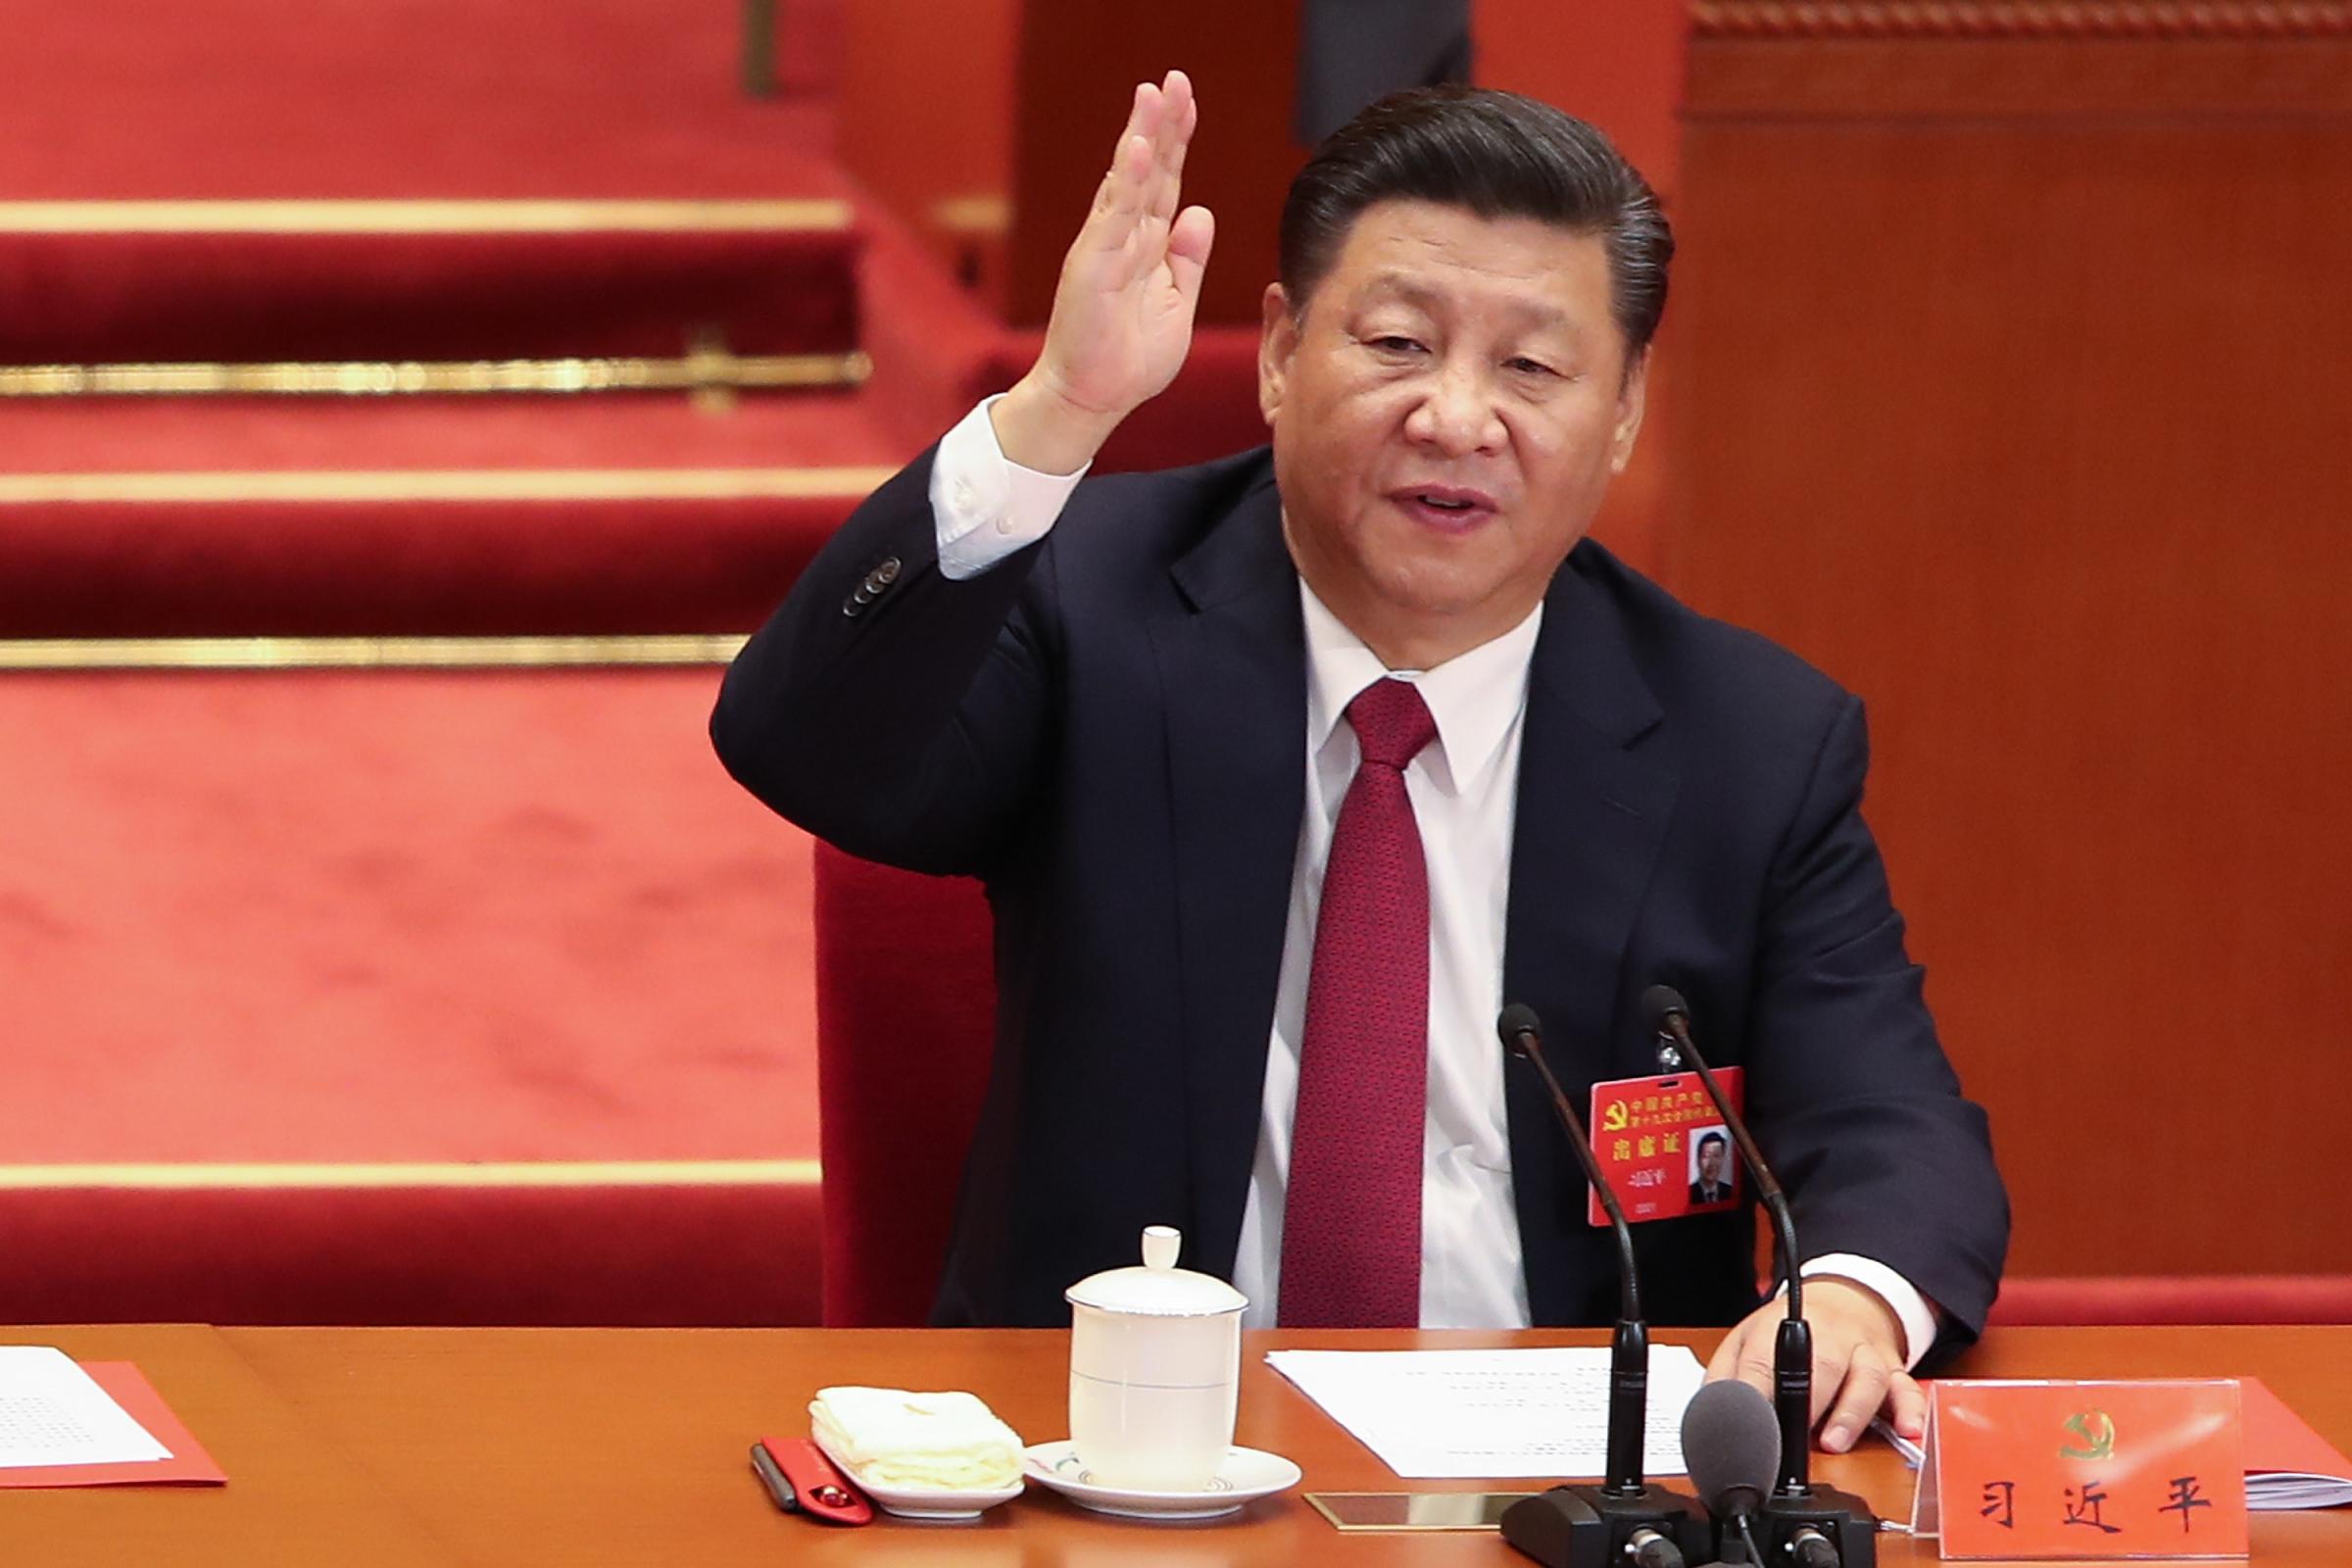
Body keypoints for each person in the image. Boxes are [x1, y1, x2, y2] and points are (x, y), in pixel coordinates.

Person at [712, 73, 2008, 1454]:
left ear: (1624, 413)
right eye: (1397, 343)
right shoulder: (1094, 603)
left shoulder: (1747, 737)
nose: (1457, 418)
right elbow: (805, 748)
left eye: (1531, 368)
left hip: (1569, 1493)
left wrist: (1857, 1299)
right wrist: (1055, 416)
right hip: (1126, 1460)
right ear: (1277, 353)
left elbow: (1892, 1122)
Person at [1689, 1131, 1732, 1207]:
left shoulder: (1731, 1192)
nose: (1711, 1163)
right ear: (1698, 1160)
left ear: (1723, 1158)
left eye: (1716, 1156)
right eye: (1706, 1156)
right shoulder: (1688, 1194)